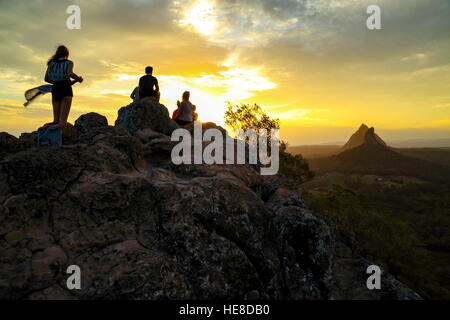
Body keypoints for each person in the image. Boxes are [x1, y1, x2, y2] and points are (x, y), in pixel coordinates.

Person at [44, 45, 83, 127]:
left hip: (55, 88)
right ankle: (62, 138)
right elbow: (70, 74)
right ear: (67, 54)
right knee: (63, 122)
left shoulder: (51, 64)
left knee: (56, 121)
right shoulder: (69, 63)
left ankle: (52, 137)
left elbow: (46, 79)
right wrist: (79, 79)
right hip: (66, 89)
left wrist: (57, 81)